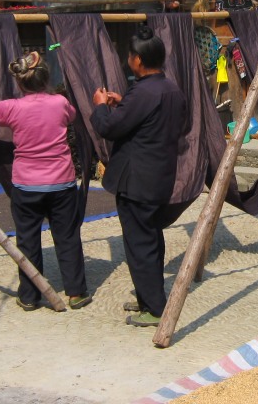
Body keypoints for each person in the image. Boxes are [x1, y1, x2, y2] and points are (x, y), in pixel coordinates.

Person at [0, 51, 91, 311]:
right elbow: (73, 116)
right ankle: (76, 293)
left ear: (19, 84)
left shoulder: (11, 108)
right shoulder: (60, 103)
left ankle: (30, 295)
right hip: (62, 184)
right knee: (67, 237)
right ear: (46, 79)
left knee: (28, 240)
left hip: (27, 186)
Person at [90, 26, 187, 327]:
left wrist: (100, 108)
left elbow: (109, 129)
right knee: (150, 238)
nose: (128, 60)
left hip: (138, 180)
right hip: (159, 175)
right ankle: (150, 295)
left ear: (139, 61)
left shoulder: (144, 91)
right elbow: (152, 123)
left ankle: (155, 308)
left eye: (130, 56)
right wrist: (123, 106)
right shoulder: (170, 88)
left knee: (139, 243)